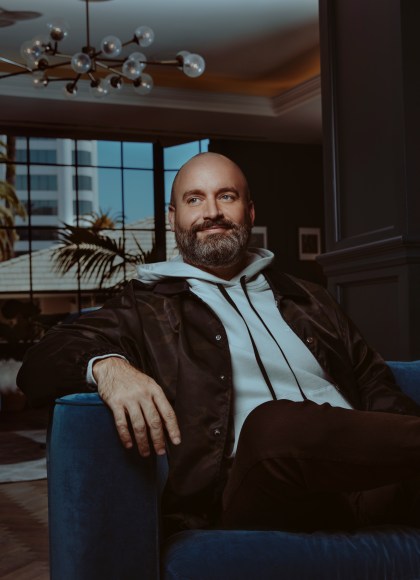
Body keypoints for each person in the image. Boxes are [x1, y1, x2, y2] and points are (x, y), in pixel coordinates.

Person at [17, 152, 420, 536]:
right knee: (272, 424)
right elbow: (38, 365)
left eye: (226, 196)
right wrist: (110, 368)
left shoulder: (310, 298)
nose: (212, 211)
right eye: (195, 199)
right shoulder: (145, 307)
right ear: (173, 218)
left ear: (250, 211)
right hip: (258, 491)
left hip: (371, 477)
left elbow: (374, 381)